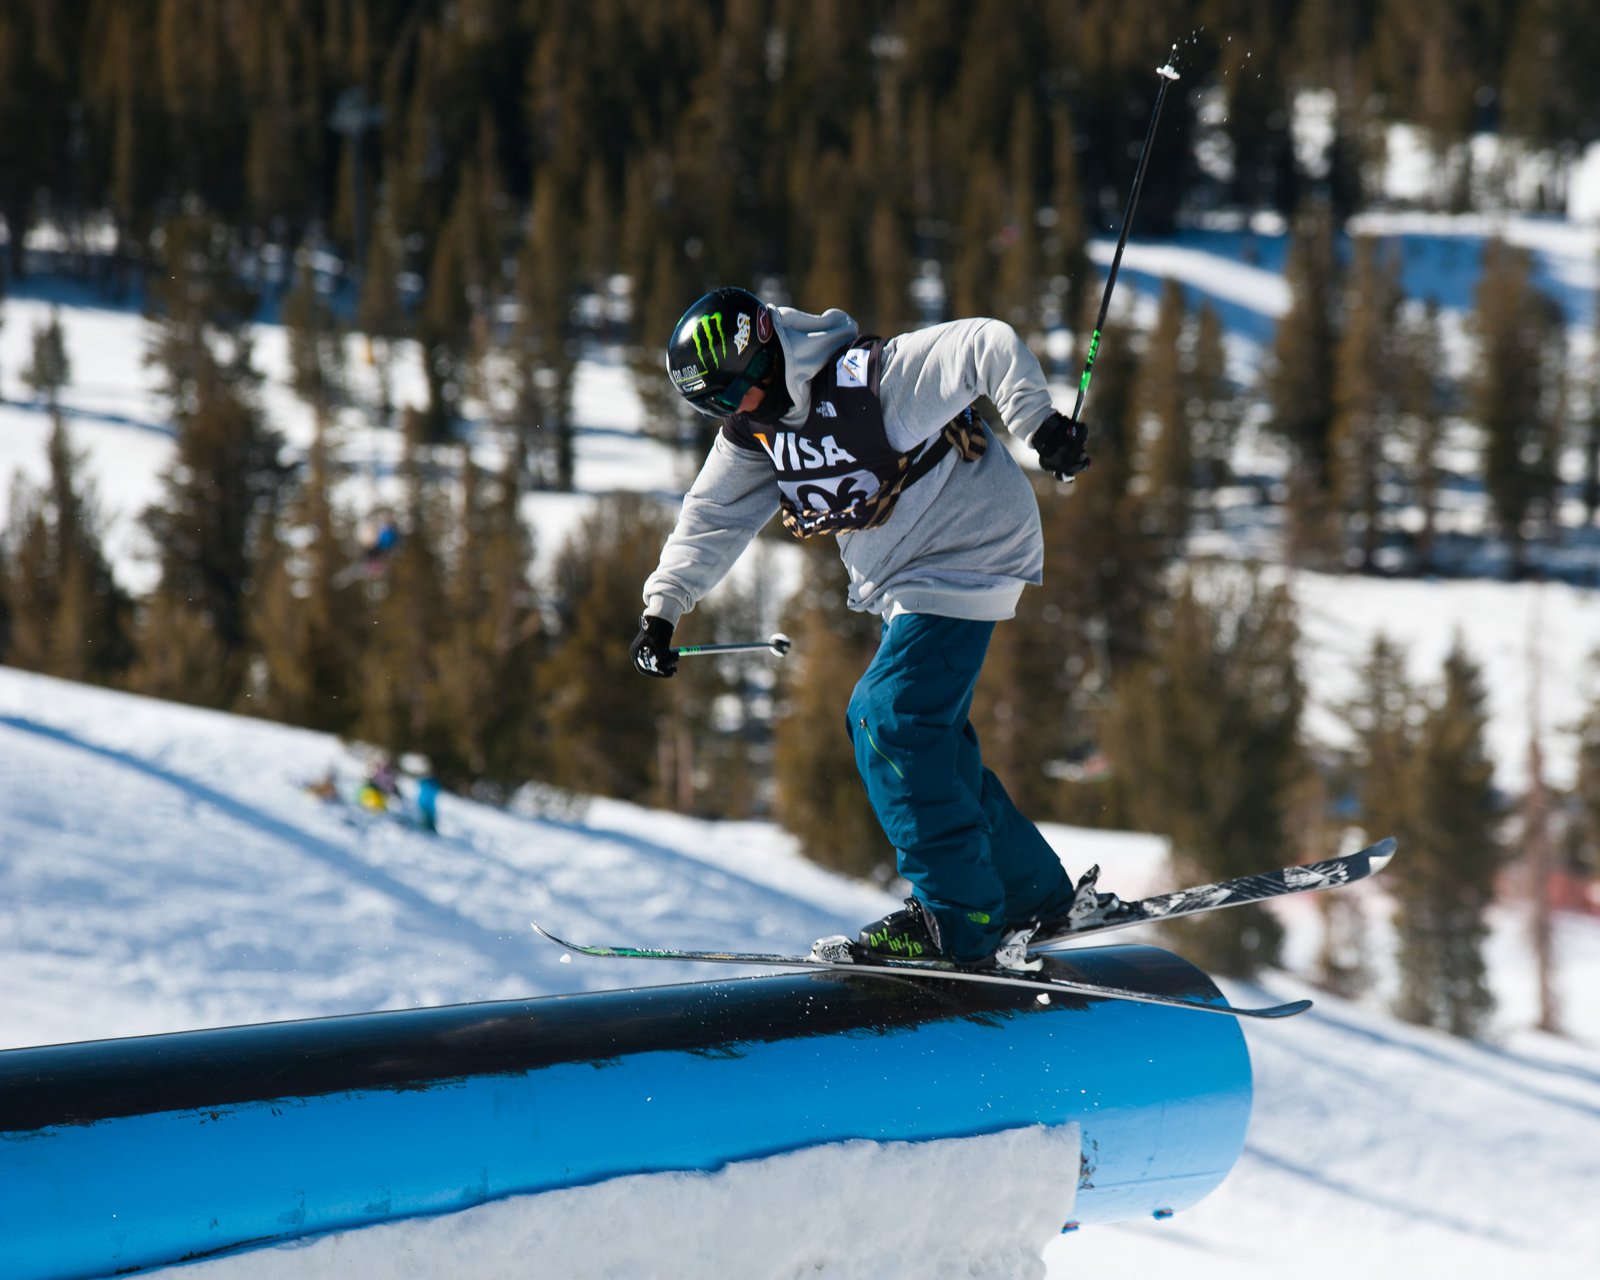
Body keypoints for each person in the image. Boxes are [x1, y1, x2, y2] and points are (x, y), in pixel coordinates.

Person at [630, 286, 1123, 969]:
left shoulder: (871, 383)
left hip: (968, 551)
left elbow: (983, 345)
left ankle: (959, 918)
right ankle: (1030, 894)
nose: (730, 414)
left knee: (885, 718)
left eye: (732, 395)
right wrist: (663, 609)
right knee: (928, 739)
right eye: (711, 405)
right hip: (907, 581)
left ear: (764, 359)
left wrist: (1038, 424)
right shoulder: (755, 432)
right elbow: (710, 518)